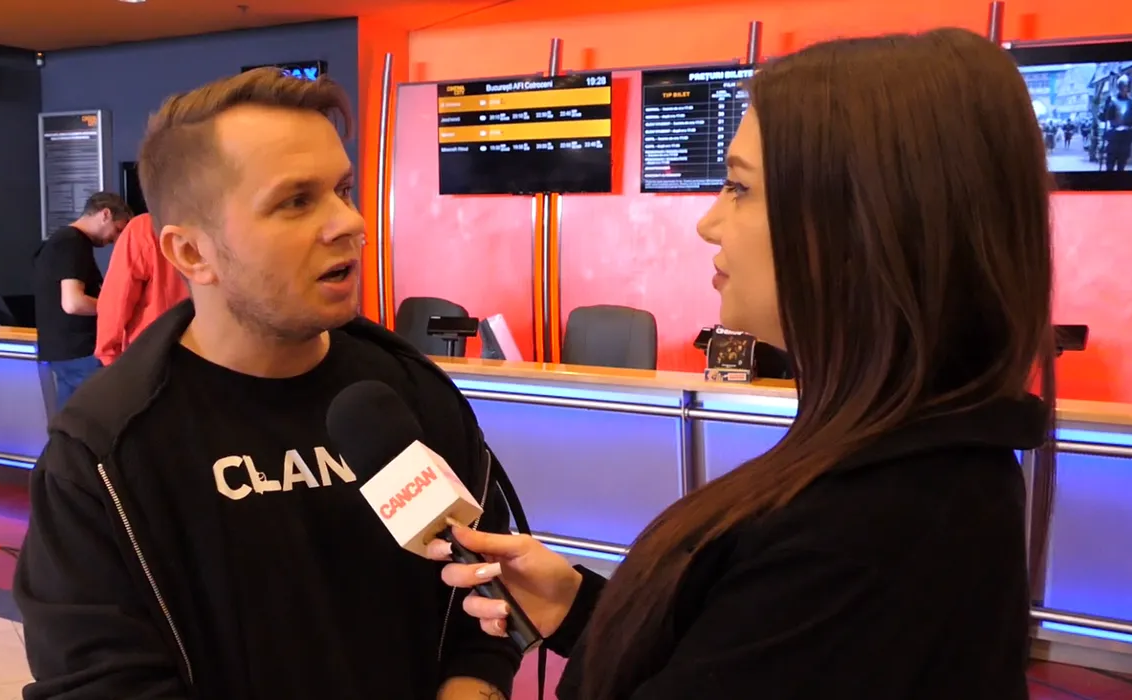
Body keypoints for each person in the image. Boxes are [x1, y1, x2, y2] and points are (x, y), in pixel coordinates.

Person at [427, 28, 1054, 700]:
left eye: (739, 188)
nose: (709, 223)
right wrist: (581, 611)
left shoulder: (864, 536)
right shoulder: (913, 477)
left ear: (859, 221)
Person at [13, 68, 522, 699]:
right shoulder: (104, 454)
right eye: (296, 201)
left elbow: (485, 598)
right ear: (191, 253)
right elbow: (97, 684)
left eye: (342, 189)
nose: (350, 222)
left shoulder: (411, 391)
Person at [33, 192, 130, 407]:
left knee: (72, 420)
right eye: (117, 230)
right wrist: (115, 308)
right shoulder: (73, 242)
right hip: (81, 351)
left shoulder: (60, 241)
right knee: (113, 411)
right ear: (105, 214)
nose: (115, 241)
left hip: (62, 353)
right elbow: (73, 303)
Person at [94, 213, 189, 366]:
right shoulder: (220, 221)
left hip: (154, 351)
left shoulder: (145, 227)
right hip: (214, 353)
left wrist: (109, 355)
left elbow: (117, 299)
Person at [1102, 73, 1132, 172]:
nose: (1124, 88)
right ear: (1119, 87)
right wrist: (1107, 107)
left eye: (1126, 86)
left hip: (1126, 137)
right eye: (1123, 86)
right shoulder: (1112, 101)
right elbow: (1104, 117)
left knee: (1122, 164)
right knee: (1110, 164)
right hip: (1113, 136)